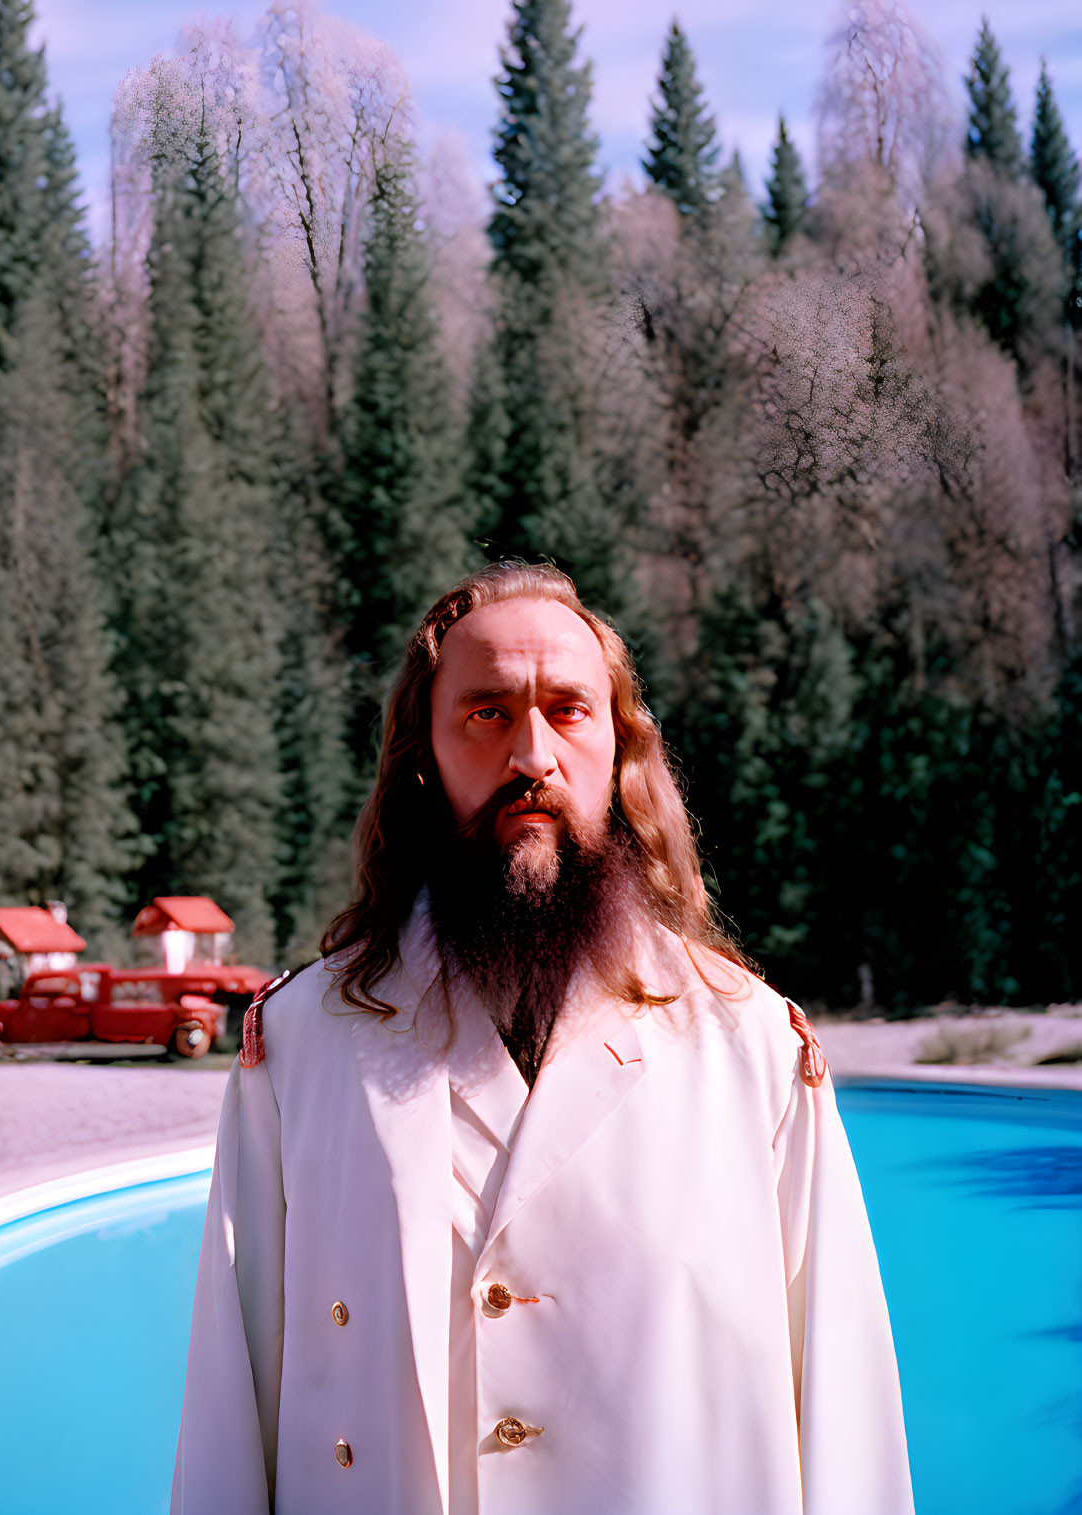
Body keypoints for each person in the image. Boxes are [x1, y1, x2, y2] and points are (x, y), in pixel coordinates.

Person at [171, 562, 914, 1515]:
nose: (532, 756)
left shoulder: (754, 1050)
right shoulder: (302, 1048)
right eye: (486, 713)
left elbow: (848, 1426)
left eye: (567, 710)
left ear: (618, 748)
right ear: (423, 757)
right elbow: (231, 1407)